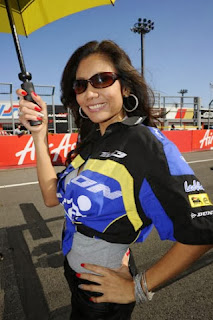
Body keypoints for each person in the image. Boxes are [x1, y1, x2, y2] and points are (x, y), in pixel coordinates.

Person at [17, 40, 213, 320]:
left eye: (102, 79)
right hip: (75, 276)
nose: (90, 92)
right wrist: (39, 135)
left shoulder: (146, 143)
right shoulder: (92, 141)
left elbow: (202, 231)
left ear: (125, 87)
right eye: (81, 85)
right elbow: (51, 197)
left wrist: (138, 288)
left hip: (103, 296)